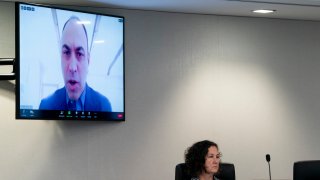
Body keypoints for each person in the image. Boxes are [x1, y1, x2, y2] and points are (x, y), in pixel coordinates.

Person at [39, 16, 111, 111]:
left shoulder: (104, 106)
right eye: (66, 52)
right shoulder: (46, 106)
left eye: (80, 54)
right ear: (61, 58)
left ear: (88, 61)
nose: (73, 68)